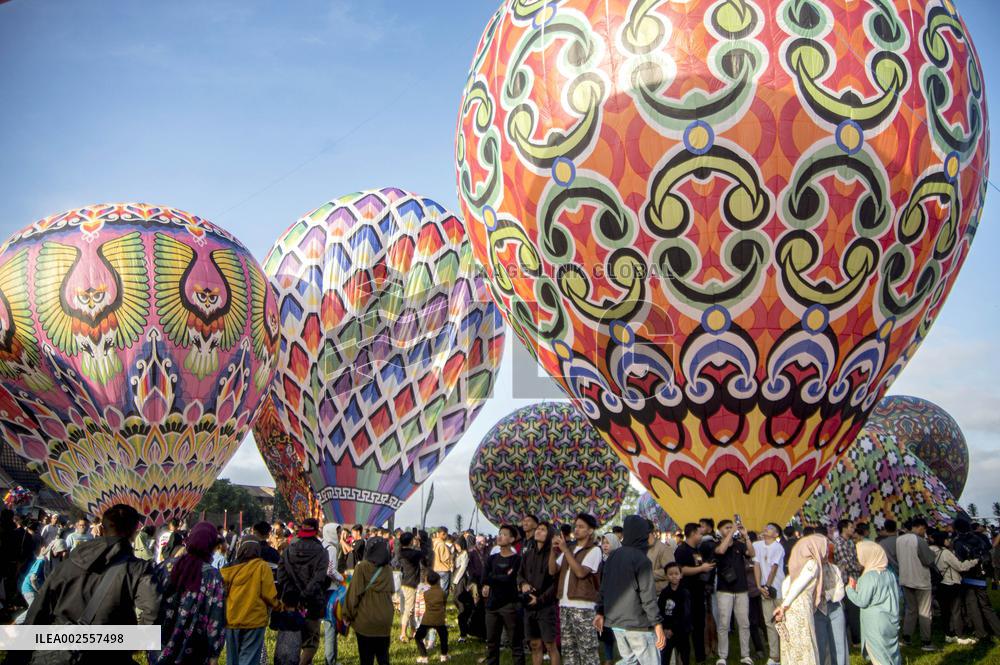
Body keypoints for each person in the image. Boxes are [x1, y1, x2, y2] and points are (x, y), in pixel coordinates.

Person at [24, 504, 159, 665]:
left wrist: (19, 655)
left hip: (57, 650)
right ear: (134, 531)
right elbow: (152, 611)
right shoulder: (139, 569)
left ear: (102, 527)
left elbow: (39, 608)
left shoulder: (70, 562)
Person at [149, 522, 226, 665]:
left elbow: (149, 601)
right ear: (211, 546)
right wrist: (214, 654)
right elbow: (216, 618)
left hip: (159, 645)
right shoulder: (212, 576)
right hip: (193, 650)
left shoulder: (166, 566)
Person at [594, 515, 666, 665]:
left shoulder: (613, 556)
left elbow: (604, 587)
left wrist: (600, 611)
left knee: (630, 662)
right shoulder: (641, 560)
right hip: (638, 625)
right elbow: (648, 596)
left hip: (616, 624)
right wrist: (657, 625)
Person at [277, 518, 331, 665]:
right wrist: (305, 595)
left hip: (291, 603)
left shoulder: (289, 549)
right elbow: (319, 579)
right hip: (313, 602)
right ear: (316, 530)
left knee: (290, 641)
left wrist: (293, 594)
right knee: (311, 641)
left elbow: (281, 576)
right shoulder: (321, 552)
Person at [550, 513, 602, 665]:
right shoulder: (570, 548)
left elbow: (580, 572)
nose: (576, 530)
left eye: (581, 527)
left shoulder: (594, 550)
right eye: (576, 526)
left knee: (588, 651)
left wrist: (565, 550)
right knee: (568, 651)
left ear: (590, 531)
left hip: (583, 608)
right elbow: (553, 570)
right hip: (565, 605)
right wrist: (553, 550)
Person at [772, 535, 829, 665]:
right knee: (801, 642)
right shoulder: (812, 564)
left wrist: (783, 606)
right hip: (798, 607)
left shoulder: (796, 569)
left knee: (796, 643)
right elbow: (799, 586)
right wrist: (784, 606)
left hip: (790, 607)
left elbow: (789, 587)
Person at [221, 540, 278, 665]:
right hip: (254, 620)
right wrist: (280, 606)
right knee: (249, 659)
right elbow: (269, 595)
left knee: (232, 659)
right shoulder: (262, 567)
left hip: (232, 620)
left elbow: (222, 594)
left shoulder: (227, 569)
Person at [845, 541, 902, 665]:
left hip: (875, 623)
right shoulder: (890, 574)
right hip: (890, 619)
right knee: (890, 653)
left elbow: (862, 601)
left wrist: (849, 589)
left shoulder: (868, 577)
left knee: (878, 657)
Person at [345, 536, 394, 665]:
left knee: (366, 659)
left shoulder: (362, 568)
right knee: (383, 658)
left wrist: (347, 614)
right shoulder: (388, 569)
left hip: (365, 620)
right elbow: (392, 590)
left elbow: (353, 595)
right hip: (385, 620)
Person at [713, 519, 754, 665]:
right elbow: (721, 551)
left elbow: (751, 553)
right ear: (719, 530)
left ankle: (745, 654)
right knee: (724, 624)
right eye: (726, 528)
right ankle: (722, 656)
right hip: (724, 590)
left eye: (731, 527)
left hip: (741, 589)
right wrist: (732, 532)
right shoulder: (716, 544)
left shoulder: (739, 545)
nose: (731, 529)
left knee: (744, 623)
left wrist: (746, 536)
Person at [518, 521, 559, 665]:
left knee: (550, 645)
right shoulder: (528, 554)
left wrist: (541, 599)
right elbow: (519, 574)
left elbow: (556, 582)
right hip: (529, 605)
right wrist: (523, 584)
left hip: (546, 606)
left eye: (543, 529)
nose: (538, 531)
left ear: (550, 534)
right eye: (538, 529)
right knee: (534, 644)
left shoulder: (553, 555)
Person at [483, 524, 525, 665]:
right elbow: (484, 578)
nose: (500, 536)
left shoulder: (517, 560)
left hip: (510, 604)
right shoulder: (492, 559)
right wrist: (495, 578)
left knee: (515, 643)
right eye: (499, 533)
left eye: (505, 534)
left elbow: (510, 579)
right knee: (491, 643)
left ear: (512, 539)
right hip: (492, 606)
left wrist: (493, 577)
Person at [953, 518, 1000, 641]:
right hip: (981, 576)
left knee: (973, 607)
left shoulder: (958, 542)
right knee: (986, 605)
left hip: (968, 577)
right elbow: (988, 549)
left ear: (956, 529)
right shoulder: (979, 538)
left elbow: (960, 561)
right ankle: (997, 629)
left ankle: (981, 633)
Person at [674, 522, 715, 663]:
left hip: (699, 592)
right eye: (699, 532)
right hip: (686, 593)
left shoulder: (696, 550)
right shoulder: (682, 550)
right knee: (686, 627)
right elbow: (682, 570)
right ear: (692, 534)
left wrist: (705, 569)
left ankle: (700, 657)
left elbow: (698, 565)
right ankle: (682, 656)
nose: (701, 535)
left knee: (699, 625)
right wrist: (702, 569)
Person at [929, 530, 978, 645]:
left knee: (945, 611)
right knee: (956, 611)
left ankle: (948, 634)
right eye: (947, 539)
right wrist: (974, 561)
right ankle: (959, 635)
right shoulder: (946, 553)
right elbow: (960, 567)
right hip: (951, 584)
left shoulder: (930, 551)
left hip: (939, 585)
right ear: (942, 540)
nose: (949, 540)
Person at [896, 517, 935, 650]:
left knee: (910, 610)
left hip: (905, 579)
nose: (924, 532)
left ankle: (906, 638)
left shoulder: (899, 539)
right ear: (919, 527)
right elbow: (928, 560)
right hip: (921, 580)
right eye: (924, 529)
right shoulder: (919, 540)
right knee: (924, 611)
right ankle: (926, 642)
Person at [753, 522, 784, 665]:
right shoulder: (757, 545)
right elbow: (757, 565)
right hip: (764, 590)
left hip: (778, 589)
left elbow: (774, 568)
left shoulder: (778, 547)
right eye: (766, 526)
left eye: (771, 528)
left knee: (783, 621)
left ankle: (787, 651)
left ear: (776, 534)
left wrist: (767, 586)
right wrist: (759, 585)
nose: (766, 528)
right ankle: (774, 656)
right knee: (769, 623)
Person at [815, 542, 848, 665]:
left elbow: (840, 592)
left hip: (835, 608)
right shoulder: (811, 569)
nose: (826, 553)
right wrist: (823, 594)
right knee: (820, 645)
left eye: (827, 551)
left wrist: (825, 594)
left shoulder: (834, 568)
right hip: (817, 609)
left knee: (839, 644)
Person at [831, 520, 862, 646]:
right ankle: (855, 640)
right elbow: (846, 563)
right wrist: (859, 567)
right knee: (852, 610)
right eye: (851, 526)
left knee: (853, 610)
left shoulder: (849, 542)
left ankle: (852, 639)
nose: (853, 529)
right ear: (844, 528)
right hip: (847, 580)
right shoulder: (839, 543)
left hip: (854, 579)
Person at [659, 562, 692, 665]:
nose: (674, 576)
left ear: (681, 575)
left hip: (682, 630)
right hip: (667, 632)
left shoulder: (684, 593)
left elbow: (685, 613)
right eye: (670, 574)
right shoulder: (664, 593)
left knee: (684, 656)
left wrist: (674, 629)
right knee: (665, 657)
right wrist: (665, 628)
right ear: (666, 576)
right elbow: (660, 611)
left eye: (676, 573)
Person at [321, 523, 345, 665]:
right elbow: (330, 571)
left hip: (323, 589)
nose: (338, 536)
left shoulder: (322, 545)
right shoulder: (331, 549)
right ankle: (330, 660)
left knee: (331, 626)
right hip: (331, 590)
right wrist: (342, 579)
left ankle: (332, 659)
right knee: (330, 627)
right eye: (337, 533)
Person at [398, 531, 427, 642]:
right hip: (411, 584)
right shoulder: (413, 554)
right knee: (409, 610)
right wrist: (421, 541)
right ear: (411, 541)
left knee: (408, 608)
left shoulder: (400, 552)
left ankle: (413, 630)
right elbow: (424, 553)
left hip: (404, 582)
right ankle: (403, 633)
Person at [416, 571, 450, 663]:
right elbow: (444, 604)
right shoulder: (442, 593)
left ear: (427, 581)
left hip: (427, 619)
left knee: (418, 637)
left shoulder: (426, 593)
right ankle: (444, 655)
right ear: (438, 580)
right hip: (439, 619)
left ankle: (424, 656)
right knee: (444, 637)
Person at [597, 534, 620, 665]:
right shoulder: (601, 561)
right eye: (603, 542)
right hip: (604, 599)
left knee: (618, 631)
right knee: (605, 631)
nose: (605, 545)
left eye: (608, 542)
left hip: (617, 600)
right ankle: (609, 658)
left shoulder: (620, 560)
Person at [14, 542, 46, 624]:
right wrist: (39, 590)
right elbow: (33, 578)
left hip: (34, 588)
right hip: (29, 588)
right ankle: (15, 623)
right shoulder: (41, 561)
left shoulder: (47, 560)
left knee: (38, 608)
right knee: (34, 608)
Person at [452, 536, 474, 643]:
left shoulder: (465, 553)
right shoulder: (457, 553)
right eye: (455, 545)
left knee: (461, 602)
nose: (456, 547)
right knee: (456, 600)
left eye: (458, 545)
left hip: (461, 580)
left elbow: (463, 567)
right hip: (456, 578)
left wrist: (455, 580)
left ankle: (464, 632)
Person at [647, 525, 675, 594]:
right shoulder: (642, 548)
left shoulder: (664, 549)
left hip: (660, 594)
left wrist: (647, 574)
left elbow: (671, 571)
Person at [433, 526, 454, 592]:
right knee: (443, 590)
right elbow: (445, 558)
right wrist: (451, 563)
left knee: (436, 589)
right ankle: (441, 601)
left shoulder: (433, 542)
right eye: (445, 534)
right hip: (443, 569)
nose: (446, 536)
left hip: (435, 568)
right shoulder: (442, 544)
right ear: (443, 534)